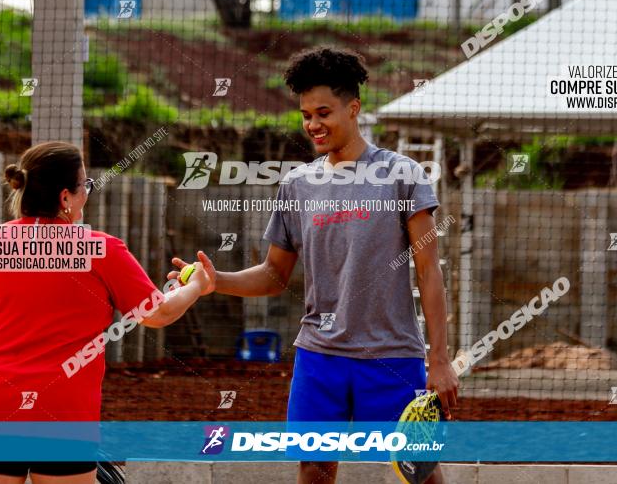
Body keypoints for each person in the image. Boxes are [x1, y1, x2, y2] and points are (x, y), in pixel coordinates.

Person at [171, 47, 459, 484]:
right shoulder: (298, 184)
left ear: (354, 107)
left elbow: (428, 271)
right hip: (319, 358)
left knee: (417, 472)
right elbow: (274, 274)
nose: (313, 125)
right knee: (314, 468)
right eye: (305, 114)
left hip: (391, 356)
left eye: (323, 112)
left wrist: (438, 357)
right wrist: (217, 281)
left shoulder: (403, 175)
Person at [0, 141, 211, 484]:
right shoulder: (102, 250)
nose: (87, 194)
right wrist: (196, 285)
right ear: (65, 197)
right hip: (63, 412)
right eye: (86, 186)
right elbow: (158, 314)